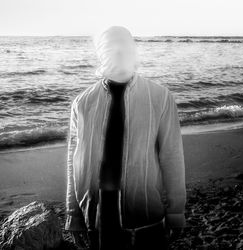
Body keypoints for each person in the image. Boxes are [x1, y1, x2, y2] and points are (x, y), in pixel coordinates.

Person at [65, 25, 187, 250]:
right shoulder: (82, 103)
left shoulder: (160, 97)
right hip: (97, 213)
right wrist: (74, 215)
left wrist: (176, 211)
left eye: (124, 45)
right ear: (101, 52)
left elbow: (171, 156)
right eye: (111, 47)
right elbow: (74, 161)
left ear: (132, 50)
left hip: (145, 215)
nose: (118, 51)